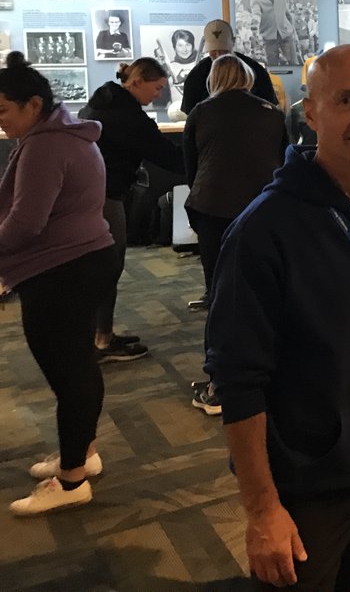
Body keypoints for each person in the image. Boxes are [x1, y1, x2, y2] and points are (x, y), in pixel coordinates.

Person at [206, 45, 350, 589]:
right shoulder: (263, 231)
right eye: (346, 100)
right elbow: (239, 381)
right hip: (304, 484)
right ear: (311, 113)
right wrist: (262, 509)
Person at [0, 53, 116, 516]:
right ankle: (81, 455)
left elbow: (26, 223)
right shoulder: (64, 133)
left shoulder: (47, 145)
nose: (2, 122)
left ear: (32, 104)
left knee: (69, 372)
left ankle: (70, 480)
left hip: (63, 268)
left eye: (4, 111)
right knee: (76, 367)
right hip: (80, 260)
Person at [183, 54, 289, 415]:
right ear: (247, 78)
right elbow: (283, 160)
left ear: (214, 79)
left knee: (219, 293)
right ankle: (268, 373)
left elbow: (191, 166)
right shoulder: (272, 113)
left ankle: (218, 383)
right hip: (262, 209)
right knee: (266, 292)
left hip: (213, 210)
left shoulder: (201, 113)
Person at [80, 58, 184, 363]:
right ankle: (100, 341)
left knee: (98, 268)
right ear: (137, 81)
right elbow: (164, 154)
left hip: (91, 193)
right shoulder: (128, 116)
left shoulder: (103, 100)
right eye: (157, 87)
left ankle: (99, 336)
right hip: (105, 195)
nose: (158, 94)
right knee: (108, 266)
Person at [181, 19, 277, 115]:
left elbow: (270, 109)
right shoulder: (196, 76)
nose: (219, 56)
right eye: (213, 53)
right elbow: (191, 115)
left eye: (224, 52)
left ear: (233, 42)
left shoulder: (255, 71)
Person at [249, 0, 299, 66]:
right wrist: (255, 21)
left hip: (286, 34)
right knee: (273, 67)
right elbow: (256, 14)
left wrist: (294, 34)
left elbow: (288, 14)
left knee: (294, 64)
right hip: (269, 36)